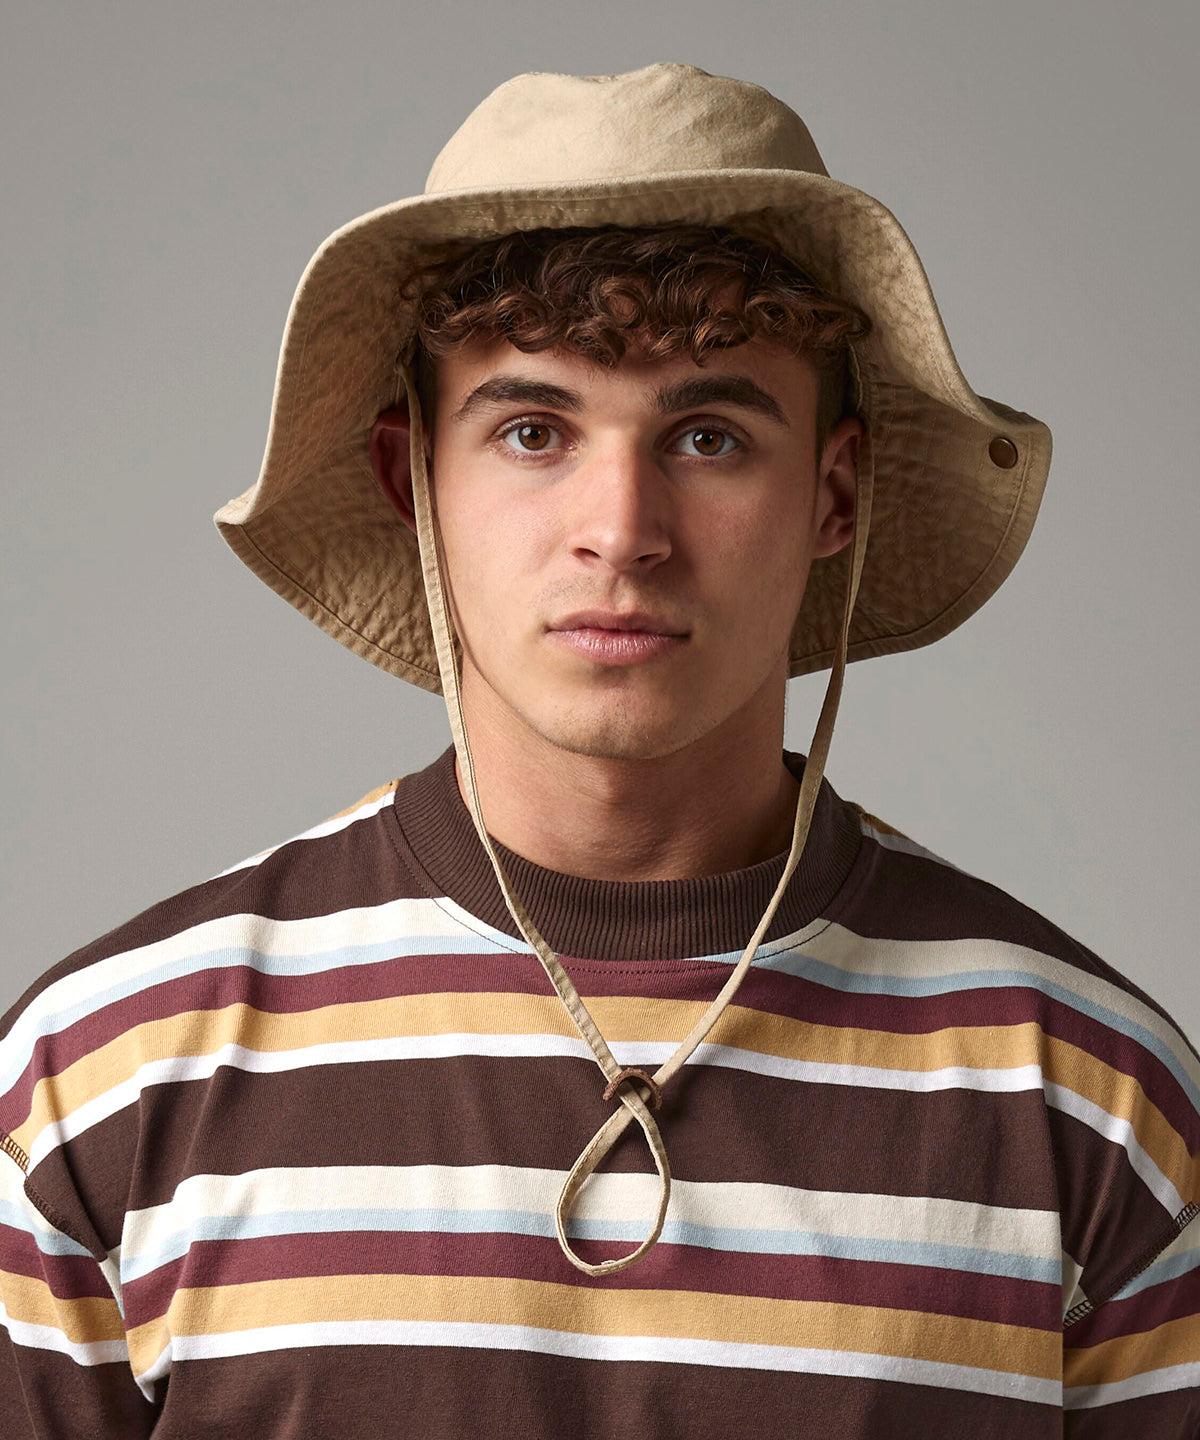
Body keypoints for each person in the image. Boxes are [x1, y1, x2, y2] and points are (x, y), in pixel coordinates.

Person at [1, 62, 1196, 1440]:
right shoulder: (111, 1074)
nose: (620, 530)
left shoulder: (1092, 1100)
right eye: (532, 432)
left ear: (835, 493)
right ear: (412, 484)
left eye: (708, 436)